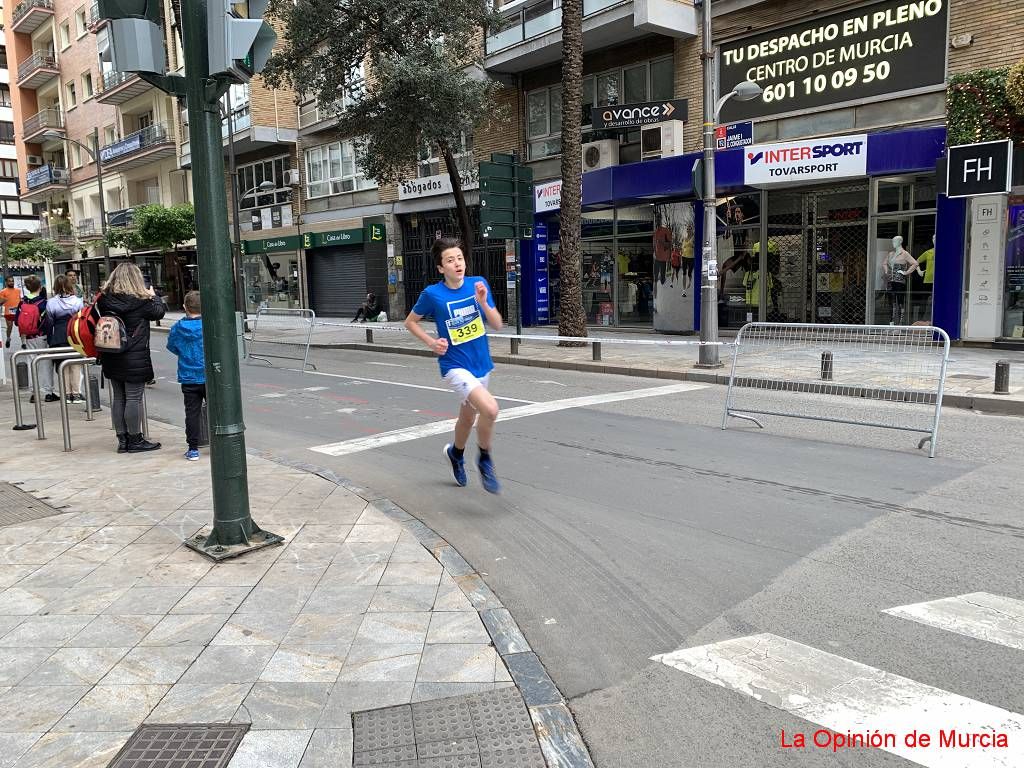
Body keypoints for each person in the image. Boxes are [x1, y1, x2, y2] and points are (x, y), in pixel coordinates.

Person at [403, 236, 504, 494]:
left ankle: (455, 454)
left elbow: (497, 324)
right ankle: (484, 458)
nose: (457, 263)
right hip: (454, 366)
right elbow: (410, 322)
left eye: (459, 258)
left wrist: (482, 302)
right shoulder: (432, 294)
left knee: (468, 417)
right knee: (490, 410)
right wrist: (431, 342)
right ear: (440, 268)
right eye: (450, 260)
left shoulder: (477, 284)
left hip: (481, 364)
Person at [98, 262, 165, 453]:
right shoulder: (142, 302)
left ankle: (122, 440)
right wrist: (154, 297)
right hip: (134, 355)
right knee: (134, 398)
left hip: (111, 353)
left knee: (119, 397)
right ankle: (135, 440)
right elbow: (159, 313)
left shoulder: (104, 300)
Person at [167, 290, 206, 461]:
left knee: (192, 413)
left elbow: (172, 346)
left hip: (188, 375)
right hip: (209, 375)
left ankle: (193, 448)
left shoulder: (177, 328)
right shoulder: (208, 325)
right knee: (216, 412)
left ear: (184, 307)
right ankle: (219, 443)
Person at [16, 276, 55, 403]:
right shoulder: (43, 303)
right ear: (40, 287)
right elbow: (48, 322)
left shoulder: (23, 302)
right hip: (41, 336)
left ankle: (34, 392)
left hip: (28, 337)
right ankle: (48, 392)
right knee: (45, 363)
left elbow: (17, 321)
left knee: (31, 362)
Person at [46, 275, 85, 403]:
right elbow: (81, 321)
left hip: (58, 336)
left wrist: (50, 341)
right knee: (76, 365)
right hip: (74, 335)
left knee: (62, 366)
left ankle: (67, 394)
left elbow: (49, 323)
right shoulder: (77, 301)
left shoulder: (51, 302)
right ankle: (76, 394)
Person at [883, 235, 921, 325]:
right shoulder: (891, 254)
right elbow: (884, 263)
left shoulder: (905, 254)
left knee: (900, 303)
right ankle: (891, 324)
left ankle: (900, 324)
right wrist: (886, 271)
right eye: (892, 241)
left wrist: (906, 272)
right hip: (890, 281)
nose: (893, 243)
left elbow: (915, 263)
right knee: (891, 303)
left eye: (894, 241)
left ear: (900, 242)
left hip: (899, 281)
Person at [1, 276, 21, 349]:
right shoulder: (3, 292)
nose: (11, 282)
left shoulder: (18, 290)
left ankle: (24, 342)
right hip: (8, 312)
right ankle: (8, 338)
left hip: (18, 311)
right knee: (10, 326)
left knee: (22, 326)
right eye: (9, 281)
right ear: (6, 282)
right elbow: (0, 302)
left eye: (12, 281)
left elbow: (20, 300)